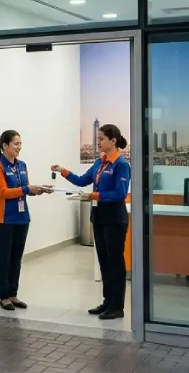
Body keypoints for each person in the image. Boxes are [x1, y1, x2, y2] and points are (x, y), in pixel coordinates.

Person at [52, 123, 132, 320]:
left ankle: (117, 306)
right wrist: (63, 171)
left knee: (115, 262)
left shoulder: (121, 164)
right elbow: (81, 180)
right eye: (97, 140)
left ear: (113, 141)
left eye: (101, 139)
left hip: (114, 219)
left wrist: (94, 195)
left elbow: (119, 194)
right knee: (104, 261)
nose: (98, 143)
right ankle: (107, 302)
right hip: (99, 217)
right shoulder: (99, 163)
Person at [0, 130, 52, 311]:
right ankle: (3, 296)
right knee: (4, 257)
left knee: (16, 257)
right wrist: (27, 189)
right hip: (2, 219)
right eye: (15, 144)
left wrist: (38, 189)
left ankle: (13, 294)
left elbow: (24, 188)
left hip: (21, 218)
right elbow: (3, 192)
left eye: (20, 144)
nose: (19, 147)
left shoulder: (21, 165)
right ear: (5, 146)